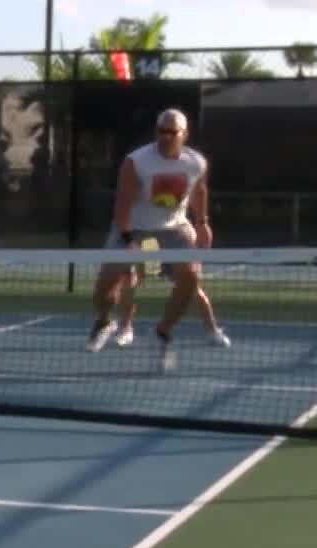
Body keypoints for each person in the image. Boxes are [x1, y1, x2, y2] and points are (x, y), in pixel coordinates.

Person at [88, 108, 230, 371]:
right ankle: (105, 320)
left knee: (190, 279)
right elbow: (122, 204)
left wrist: (202, 223)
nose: (165, 137)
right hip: (134, 227)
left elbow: (200, 191)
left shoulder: (195, 162)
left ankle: (163, 331)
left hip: (175, 230)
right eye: (161, 131)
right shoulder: (136, 161)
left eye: (172, 132)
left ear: (184, 134)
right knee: (106, 287)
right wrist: (128, 239)